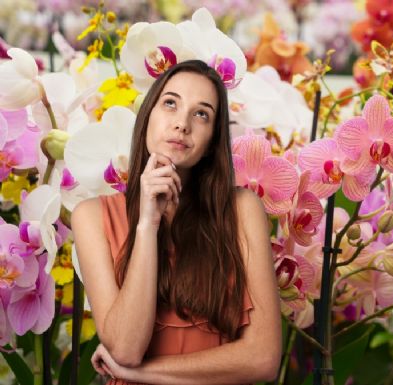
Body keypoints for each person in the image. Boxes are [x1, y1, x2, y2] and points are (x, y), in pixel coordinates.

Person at [71, 59, 282, 384]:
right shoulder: (91, 217)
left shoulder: (242, 210)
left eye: (202, 114)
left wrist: (136, 373)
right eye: (170, 103)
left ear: (212, 141)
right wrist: (146, 225)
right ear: (147, 116)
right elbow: (126, 348)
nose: (182, 124)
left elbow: (263, 359)